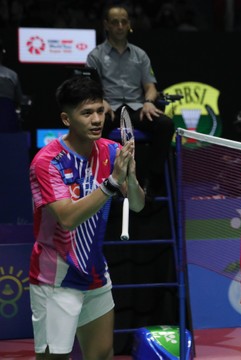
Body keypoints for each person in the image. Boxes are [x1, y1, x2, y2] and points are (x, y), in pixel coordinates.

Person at [28, 76, 145, 359]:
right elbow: (67, 218)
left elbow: (138, 204)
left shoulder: (111, 150)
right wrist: (112, 182)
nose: (96, 120)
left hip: (94, 274)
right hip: (55, 278)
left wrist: (130, 176)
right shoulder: (48, 162)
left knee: (102, 355)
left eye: (100, 111)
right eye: (86, 113)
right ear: (66, 119)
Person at [86, 4, 175, 197]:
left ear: (129, 25)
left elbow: (150, 87)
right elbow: (90, 87)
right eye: (115, 22)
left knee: (165, 125)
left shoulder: (140, 55)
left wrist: (149, 101)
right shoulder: (95, 55)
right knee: (93, 126)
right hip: (109, 109)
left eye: (124, 22)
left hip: (136, 108)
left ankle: (151, 180)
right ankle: (101, 182)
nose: (119, 26)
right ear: (106, 25)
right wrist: (101, 101)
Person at [0, 39, 23, 132]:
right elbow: (19, 99)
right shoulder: (12, 74)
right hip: (7, 111)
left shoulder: (11, 74)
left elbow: (19, 99)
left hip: (7, 110)